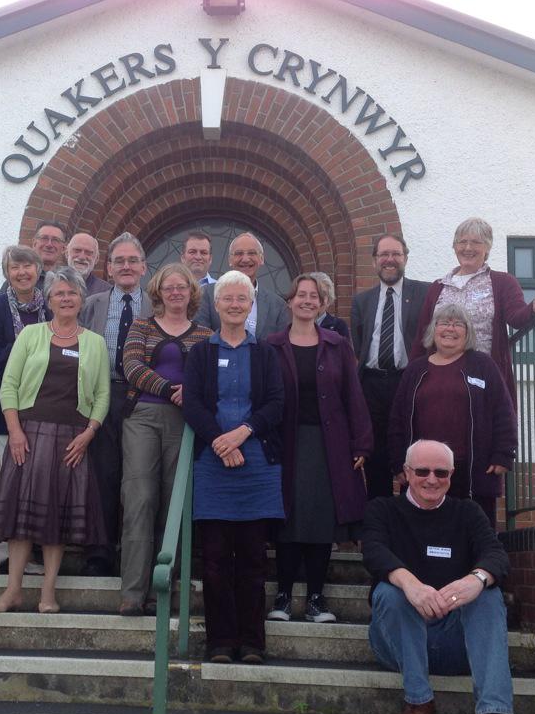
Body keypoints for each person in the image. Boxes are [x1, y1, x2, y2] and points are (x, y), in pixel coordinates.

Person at [362, 439, 513, 714]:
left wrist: (475, 579)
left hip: (453, 641)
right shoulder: (383, 510)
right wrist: (411, 584)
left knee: (488, 595)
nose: (432, 479)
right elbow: (373, 552)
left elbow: (496, 554)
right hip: (396, 642)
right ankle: (418, 702)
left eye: (441, 472)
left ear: (451, 474)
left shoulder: (467, 512)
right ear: (406, 473)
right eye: (422, 471)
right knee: (388, 592)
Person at [0, 267, 108, 614]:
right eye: (59, 293)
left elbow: (102, 395)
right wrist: (15, 431)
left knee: (58, 518)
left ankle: (48, 592)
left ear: (82, 299)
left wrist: (89, 433)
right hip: (30, 434)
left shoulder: (95, 343)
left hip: (72, 439)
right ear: (49, 299)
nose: (66, 299)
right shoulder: (30, 335)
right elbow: (8, 385)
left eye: (72, 293)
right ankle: (13, 591)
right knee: (20, 519)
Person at [183, 270, 284, 665]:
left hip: (257, 464)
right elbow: (192, 404)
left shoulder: (266, 354)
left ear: (251, 304)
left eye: (244, 298)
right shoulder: (201, 354)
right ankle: (220, 643)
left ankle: (253, 643)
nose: (236, 304)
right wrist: (219, 443)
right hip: (212, 464)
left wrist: (241, 434)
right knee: (214, 560)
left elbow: (275, 403)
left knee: (254, 560)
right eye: (229, 298)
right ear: (217, 304)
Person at [266, 275, 373, 623]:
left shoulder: (337, 344)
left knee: (320, 521)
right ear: (290, 301)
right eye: (301, 295)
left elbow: (353, 396)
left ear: (323, 304)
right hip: (286, 443)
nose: (307, 301)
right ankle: (282, 596)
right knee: (288, 520)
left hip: (331, 445)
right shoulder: (272, 345)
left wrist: (362, 442)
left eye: (314, 296)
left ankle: (316, 598)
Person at [118, 263, 211, 616]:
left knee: (175, 504)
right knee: (140, 499)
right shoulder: (142, 326)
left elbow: (205, 376)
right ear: (159, 292)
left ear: (191, 293)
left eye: (182, 288)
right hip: (142, 416)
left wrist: (192, 395)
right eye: (169, 288)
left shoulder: (204, 334)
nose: (175, 293)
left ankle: (165, 589)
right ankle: (132, 592)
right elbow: (132, 366)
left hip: (185, 423)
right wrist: (171, 389)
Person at [389, 304, 517, 528]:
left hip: (471, 468)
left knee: (473, 531)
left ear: (467, 332)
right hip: (423, 471)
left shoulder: (483, 365)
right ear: (433, 330)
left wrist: (503, 454)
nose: (450, 328)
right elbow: (398, 420)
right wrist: (398, 463)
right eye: (444, 323)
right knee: (420, 530)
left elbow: (503, 411)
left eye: (458, 324)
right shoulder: (415, 370)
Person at [412, 217, 535, 404]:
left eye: (476, 242)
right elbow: (423, 334)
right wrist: (412, 376)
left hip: (483, 376)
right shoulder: (438, 287)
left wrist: (534, 308)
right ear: (454, 247)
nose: (468, 248)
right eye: (462, 242)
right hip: (440, 376)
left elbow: (516, 318)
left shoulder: (502, 282)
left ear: (487, 248)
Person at [0, 245, 51, 574]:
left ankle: (24, 555)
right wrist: (23, 355)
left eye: (28, 266)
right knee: (4, 484)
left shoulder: (49, 307)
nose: (22, 272)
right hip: (4, 411)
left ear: (38, 270)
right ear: (7, 273)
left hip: (44, 412)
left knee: (33, 487)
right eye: (15, 267)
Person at [79, 232, 152, 576]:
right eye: (119, 261)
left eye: (132, 260)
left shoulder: (157, 305)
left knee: (139, 480)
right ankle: (100, 552)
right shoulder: (91, 305)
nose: (126, 266)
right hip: (103, 397)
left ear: (143, 268)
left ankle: (136, 556)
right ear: (108, 268)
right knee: (103, 477)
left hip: (145, 400)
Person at [350, 233, 430, 499]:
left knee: (410, 453)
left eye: (395, 254)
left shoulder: (425, 293)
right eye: (384, 254)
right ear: (374, 261)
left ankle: (411, 523)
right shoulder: (362, 301)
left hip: (408, 382)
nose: (390, 260)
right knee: (376, 460)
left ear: (405, 258)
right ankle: (379, 529)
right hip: (371, 385)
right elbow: (360, 342)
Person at [195, 232, 290, 340]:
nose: (245, 259)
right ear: (230, 260)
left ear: (261, 259)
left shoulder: (277, 305)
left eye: (252, 253)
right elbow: (201, 339)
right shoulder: (207, 294)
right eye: (239, 253)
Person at [308, 271, 349, 338]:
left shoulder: (339, 327)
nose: (318, 298)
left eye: (323, 293)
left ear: (329, 301)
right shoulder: (295, 327)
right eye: (313, 293)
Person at [31, 220, 67, 291]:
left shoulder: (69, 281)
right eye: (44, 238)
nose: (49, 244)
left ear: (63, 248)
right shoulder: (20, 278)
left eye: (55, 240)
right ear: (34, 244)